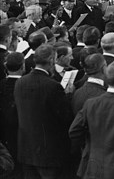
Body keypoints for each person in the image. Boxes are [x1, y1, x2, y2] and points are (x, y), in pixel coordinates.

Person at [14, 44, 73, 179]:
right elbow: (66, 117)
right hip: (49, 153)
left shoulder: (20, 82)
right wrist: (68, 96)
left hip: (26, 149)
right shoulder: (53, 86)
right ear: (52, 60)